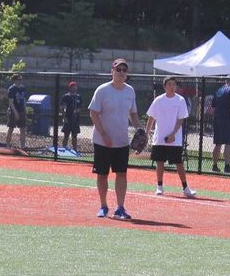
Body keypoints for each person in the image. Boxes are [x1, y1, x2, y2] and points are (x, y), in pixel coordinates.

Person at [89, 58, 141, 220]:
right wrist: (104, 134)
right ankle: (104, 206)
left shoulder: (130, 91)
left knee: (122, 174)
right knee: (102, 174)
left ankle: (120, 207)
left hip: (121, 141)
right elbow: (93, 113)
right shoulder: (103, 90)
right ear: (112, 71)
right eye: (118, 70)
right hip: (102, 141)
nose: (121, 73)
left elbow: (133, 113)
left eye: (124, 70)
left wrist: (139, 128)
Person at [146, 76, 196, 197]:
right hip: (160, 138)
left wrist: (173, 134)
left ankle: (185, 188)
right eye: (169, 84)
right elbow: (151, 117)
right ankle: (159, 186)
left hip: (175, 139)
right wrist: (146, 133)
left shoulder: (180, 100)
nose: (172, 86)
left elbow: (181, 119)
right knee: (160, 162)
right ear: (164, 86)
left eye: (174, 84)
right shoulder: (158, 100)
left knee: (179, 163)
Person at [211, 78, 230, 172]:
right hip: (227, 119)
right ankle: (227, 166)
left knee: (218, 143)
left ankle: (214, 165)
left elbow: (213, 107)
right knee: (228, 143)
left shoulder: (218, 90)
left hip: (217, 118)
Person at [60, 80, 83, 152]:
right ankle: (63, 149)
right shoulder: (66, 96)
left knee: (74, 135)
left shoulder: (78, 97)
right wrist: (64, 116)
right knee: (66, 135)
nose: (74, 88)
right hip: (68, 118)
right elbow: (61, 107)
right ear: (70, 88)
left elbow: (81, 107)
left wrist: (77, 111)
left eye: (75, 86)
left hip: (76, 119)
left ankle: (75, 150)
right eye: (72, 87)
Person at [5, 73, 26, 149]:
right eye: (18, 79)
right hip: (13, 111)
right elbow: (11, 103)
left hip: (22, 111)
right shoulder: (11, 89)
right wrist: (15, 113)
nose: (20, 81)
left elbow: (23, 99)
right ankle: (7, 146)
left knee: (23, 129)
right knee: (11, 129)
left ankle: (23, 147)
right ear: (14, 80)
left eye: (21, 79)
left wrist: (25, 109)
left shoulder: (23, 88)